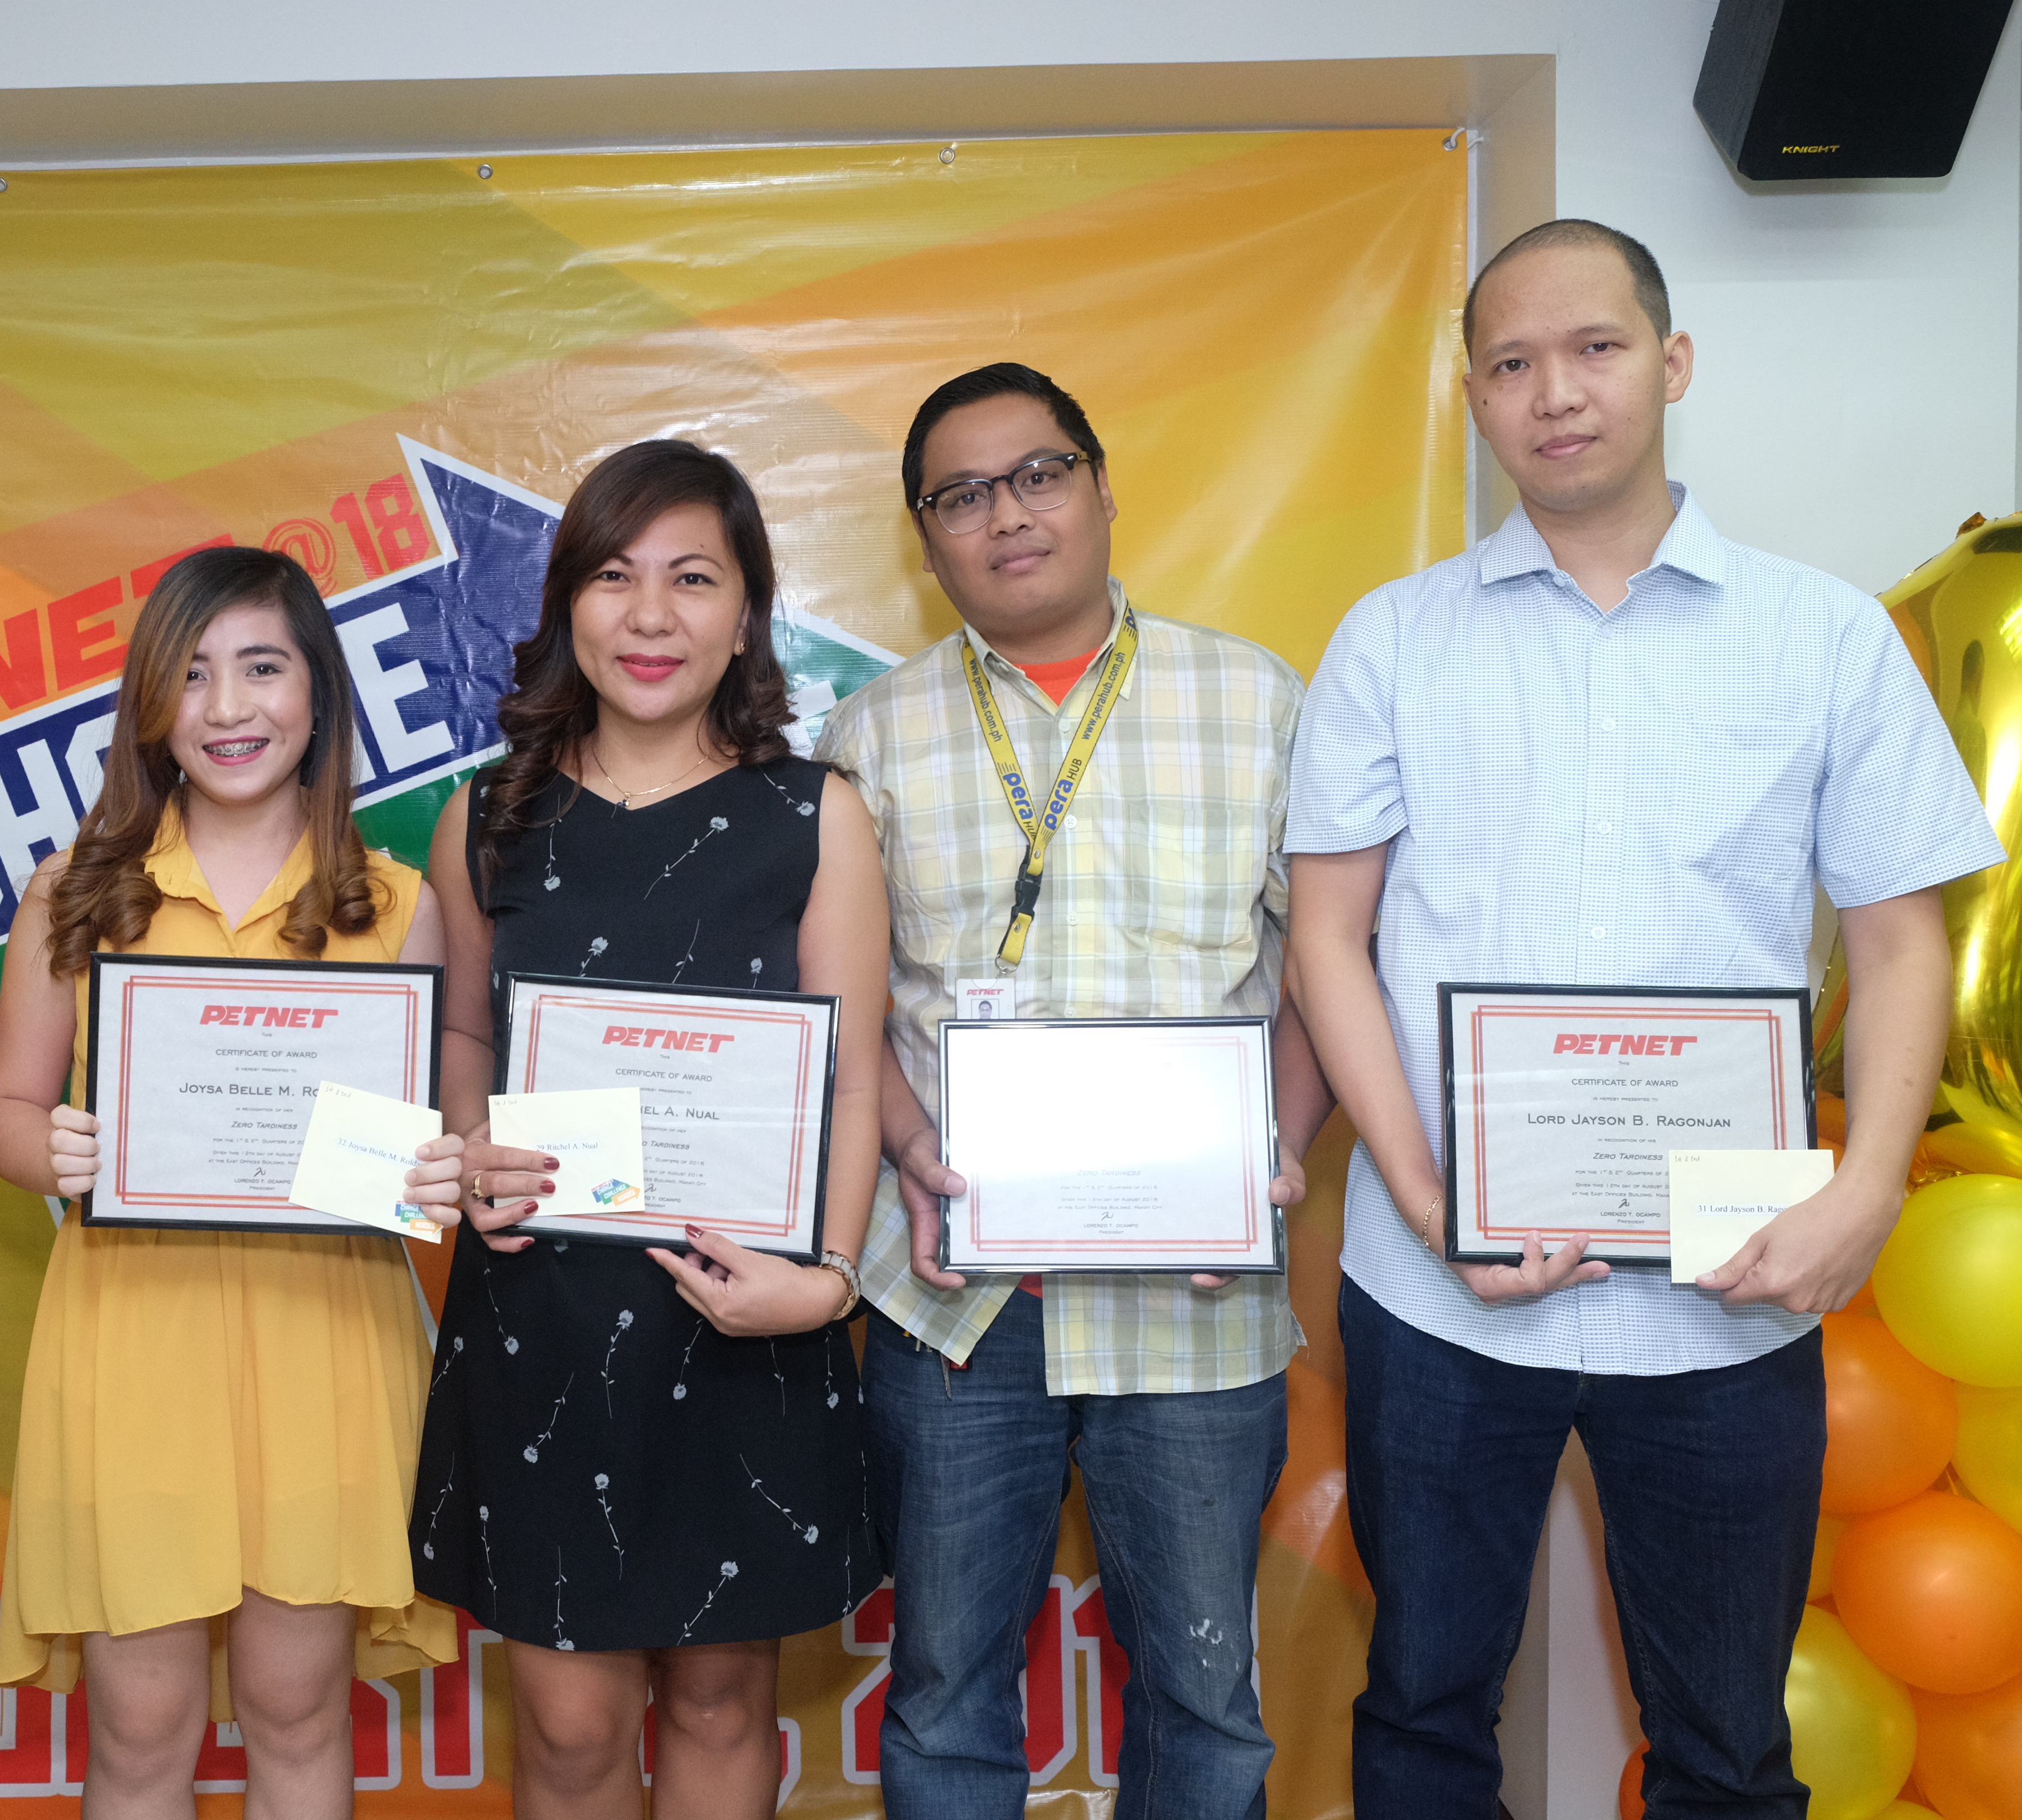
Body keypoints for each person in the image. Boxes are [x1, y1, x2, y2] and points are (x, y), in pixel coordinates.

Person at [1285, 219, 2001, 1817]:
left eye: (1596, 349)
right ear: (1472, 396)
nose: (1558, 392)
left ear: (1671, 366)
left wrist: (1867, 1190)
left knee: (1729, 1747)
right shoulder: (1395, 642)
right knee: (1419, 1713)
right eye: (1513, 362)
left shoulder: (1820, 640)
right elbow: (1328, 942)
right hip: (1441, 1293)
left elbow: (1898, 944)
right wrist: (1421, 1197)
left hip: (1731, 1290)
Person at [814, 361, 1332, 1820]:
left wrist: (1279, 1147)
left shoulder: (1256, 701)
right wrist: (907, 1150)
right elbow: (845, 1022)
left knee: (1204, 1694)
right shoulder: (869, 740)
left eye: (1039, 475)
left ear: (1103, 489)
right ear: (928, 537)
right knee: (945, 1689)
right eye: (961, 496)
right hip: (960, 1305)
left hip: (1197, 1300)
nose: (1008, 516)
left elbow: (1319, 972)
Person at [408, 439, 890, 1818]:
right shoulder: (488, 816)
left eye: (693, 578)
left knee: (725, 1698)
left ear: (748, 613)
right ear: (569, 603)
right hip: (540, 1311)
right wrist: (473, 1153)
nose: (651, 614)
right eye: (615, 577)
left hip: (745, 1312)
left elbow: (852, 1079)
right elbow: (464, 1036)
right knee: (566, 1725)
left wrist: (830, 1281)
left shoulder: (816, 818)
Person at [0, 544, 467, 1819]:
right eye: (191, 676)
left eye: (263, 668)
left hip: (326, 1340)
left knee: (299, 1712)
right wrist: (55, 1150)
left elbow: (427, 1145)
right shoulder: (77, 895)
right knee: (140, 1729)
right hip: (137, 1341)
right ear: (150, 705)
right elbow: (3, 1111)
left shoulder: (399, 903)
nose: (230, 707)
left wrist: (436, 1167)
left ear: (319, 698)